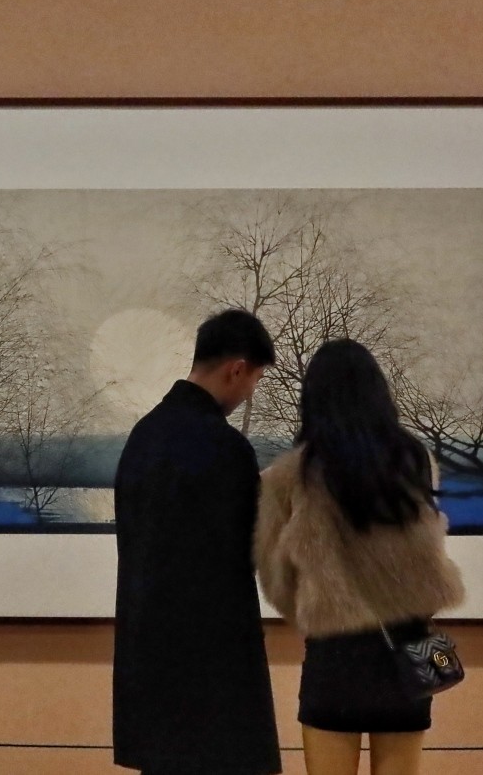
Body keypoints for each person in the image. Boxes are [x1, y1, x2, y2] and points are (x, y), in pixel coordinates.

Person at [253, 338, 465, 775]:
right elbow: (428, 557)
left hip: (335, 657)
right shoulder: (414, 459)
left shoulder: (287, 476)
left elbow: (276, 581)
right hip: (406, 651)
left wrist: (319, 604)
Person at [113, 308, 282, 775]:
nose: (249, 394)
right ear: (237, 369)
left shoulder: (142, 438)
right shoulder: (225, 448)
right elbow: (251, 545)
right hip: (214, 666)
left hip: (148, 655)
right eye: (255, 381)